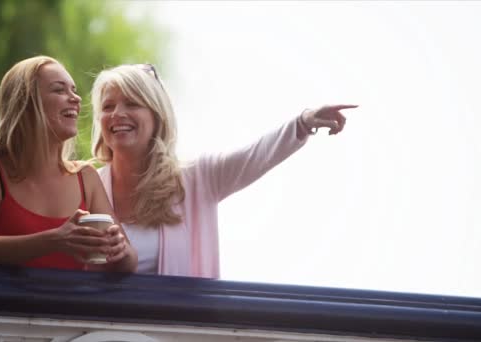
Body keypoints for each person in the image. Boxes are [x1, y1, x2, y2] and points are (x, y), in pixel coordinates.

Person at [90, 63, 356, 278]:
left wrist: (304, 122)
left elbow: (256, 155)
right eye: (108, 106)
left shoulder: (198, 178)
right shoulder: (87, 185)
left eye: (132, 104)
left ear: (156, 115)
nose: (117, 114)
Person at [0, 56, 137, 272]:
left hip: (70, 307)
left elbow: (129, 263)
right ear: (26, 102)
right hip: (6, 307)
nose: (76, 99)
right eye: (60, 90)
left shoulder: (86, 176)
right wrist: (55, 240)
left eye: (74, 89)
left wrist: (119, 250)